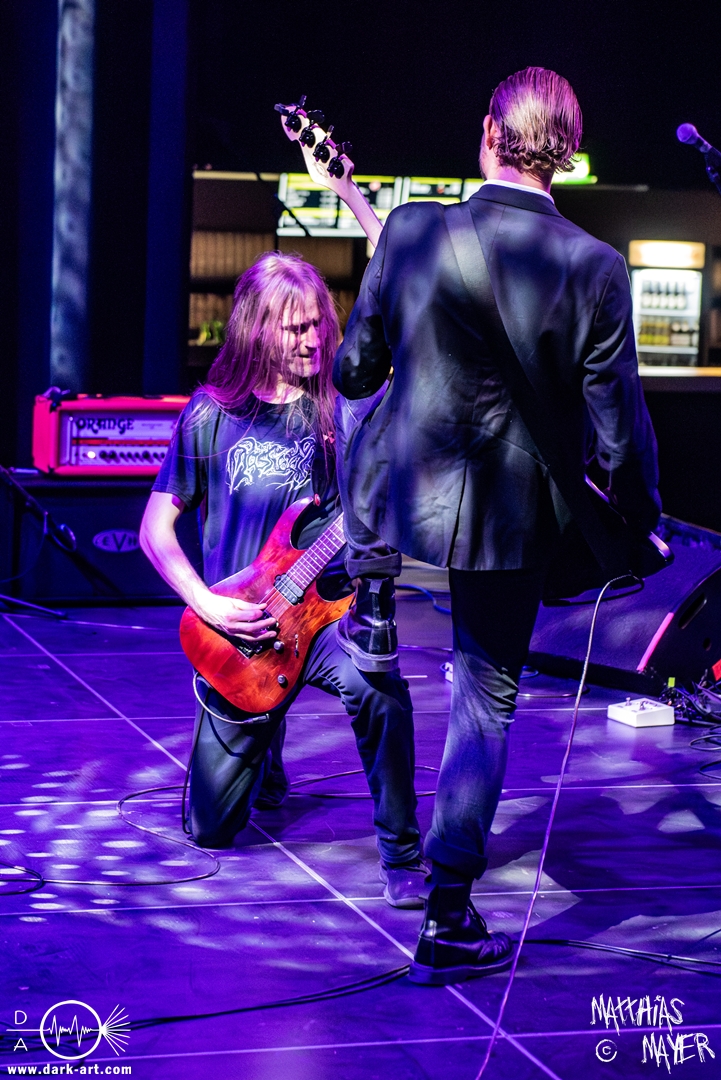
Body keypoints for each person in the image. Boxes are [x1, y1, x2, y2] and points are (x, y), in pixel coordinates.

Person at [333, 67, 661, 983]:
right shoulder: (594, 267)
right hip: (506, 527)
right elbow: (618, 435)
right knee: (483, 699)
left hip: (397, 508)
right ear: (568, 155)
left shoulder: (408, 231)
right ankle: (445, 911)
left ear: (487, 132)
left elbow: (354, 374)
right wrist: (639, 524)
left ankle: (368, 606)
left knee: (367, 589)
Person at [140, 251, 426, 907]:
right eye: (295, 328)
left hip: (322, 619)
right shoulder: (211, 416)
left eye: (319, 324)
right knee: (211, 831)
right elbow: (155, 530)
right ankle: (264, 756)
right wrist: (206, 603)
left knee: (378, 688)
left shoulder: (340, 410)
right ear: (257, 328)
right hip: (242, 637)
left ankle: (403, 854)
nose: (313, 339)